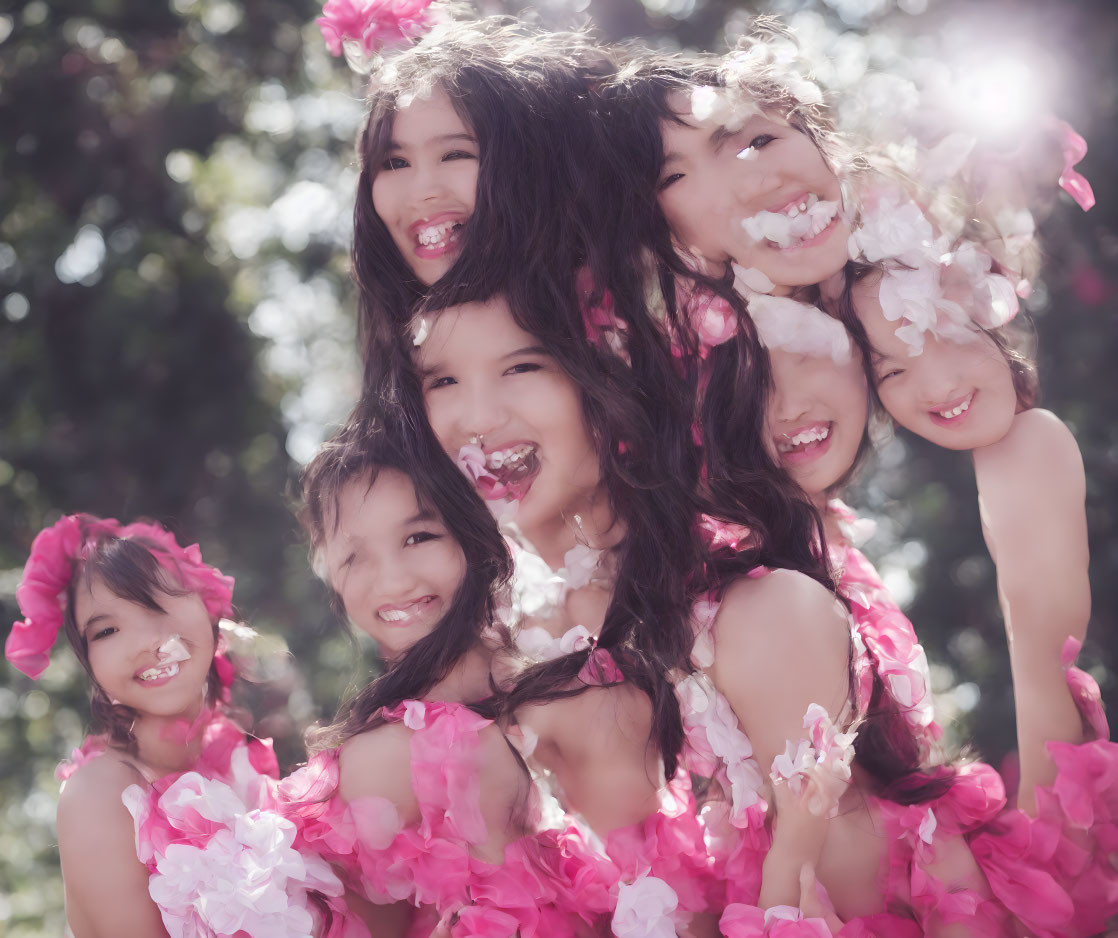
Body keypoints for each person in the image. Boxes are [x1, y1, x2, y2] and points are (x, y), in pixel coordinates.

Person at [279, 411, 613, 938]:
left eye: (418, 537)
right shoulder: (385, 761)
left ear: (472, 533)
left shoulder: (568, 695)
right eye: (353, 558)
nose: (392, 580)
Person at [5, 515, 355, 938]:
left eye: (158, 601)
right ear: (91, 666)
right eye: (108, 631)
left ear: (209, 611)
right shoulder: (98, 796)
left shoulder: (241, 767)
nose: (145, 644)